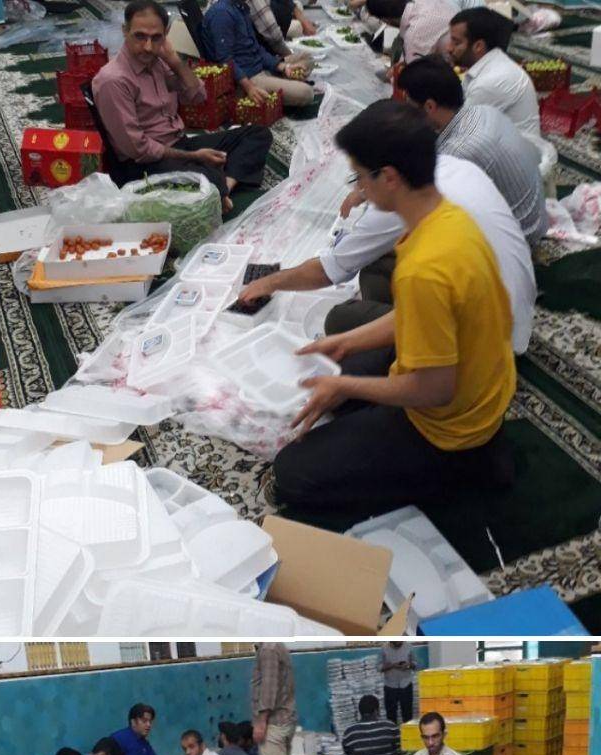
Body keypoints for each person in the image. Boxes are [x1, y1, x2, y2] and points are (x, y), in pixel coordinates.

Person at [272, 102, 516, 513]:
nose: (359, 188)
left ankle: (459, 469)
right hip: (483, 386)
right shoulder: (449, 217)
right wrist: (348, 343)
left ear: (388, 178)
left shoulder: (423, 268)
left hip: (450, 425)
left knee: (292, 472)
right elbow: (419, 317)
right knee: (337, 367)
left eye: (360, 177)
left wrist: (346, 386)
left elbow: (435, 389)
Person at [235, 150, 535, 353]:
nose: (359, 185)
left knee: (340, 320)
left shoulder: (397, 210)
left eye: (360, 177)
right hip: (514, 315)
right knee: (377, 264)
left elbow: (329, 270)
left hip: (483, 347)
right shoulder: (451, 166)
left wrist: (271, 281)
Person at [92, 1, 273, 212]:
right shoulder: (113, 80)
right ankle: (216, 186)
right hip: (144, 165)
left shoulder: (157, 62)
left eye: (156, 37)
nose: (148, 46)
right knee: (207, 173)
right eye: (140, 36)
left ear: (165, 35)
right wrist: (194, 157)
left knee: (258, 134)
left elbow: (198, 96)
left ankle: (223, 188)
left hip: (179, 144)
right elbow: (138, 149)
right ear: (125, 31)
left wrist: (175, 61)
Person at [399, 55, 549, 245]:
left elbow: (422, 206)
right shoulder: (482, 111)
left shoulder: (457, 152)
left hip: (519, 238)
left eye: (409, 105)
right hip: (534, 220)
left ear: (429, 106)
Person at [447, 7, 541, 140]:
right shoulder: (492, 62)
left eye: (456, 42)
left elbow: (458, 135)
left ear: (478, 46)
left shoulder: (489, 82)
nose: (449, 48)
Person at [203, 0, 316, 109]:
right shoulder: (222, 14)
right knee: (307, 93)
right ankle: (279, 84)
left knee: (307, 57)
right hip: (250, 77)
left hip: (260, 66)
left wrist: (282, 66)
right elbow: (225, 60)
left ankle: (282, 78)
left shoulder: (240, 7)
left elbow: (256, 48)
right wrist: (249, 87)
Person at [366, 0, 457, 62]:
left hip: (457, 69)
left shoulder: (415, 32)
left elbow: (413, 72)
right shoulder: (421, 3)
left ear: (386, 20)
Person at [332, 694, 400, 755]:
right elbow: (399, 750)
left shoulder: (350, 732)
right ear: (376, 711)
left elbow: (348, 753)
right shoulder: (390, 726)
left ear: (360, 712)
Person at [381, 641, 417, 722]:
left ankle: (407, 733)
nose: (399, 642)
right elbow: (378, 667)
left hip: (406, 685)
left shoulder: (409, 647)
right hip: (390, 686)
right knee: (391, 714)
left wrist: (408, 665)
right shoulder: (383, 648)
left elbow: (416, 664)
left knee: (407, 714)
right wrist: (392, 665)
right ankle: (393, 733)